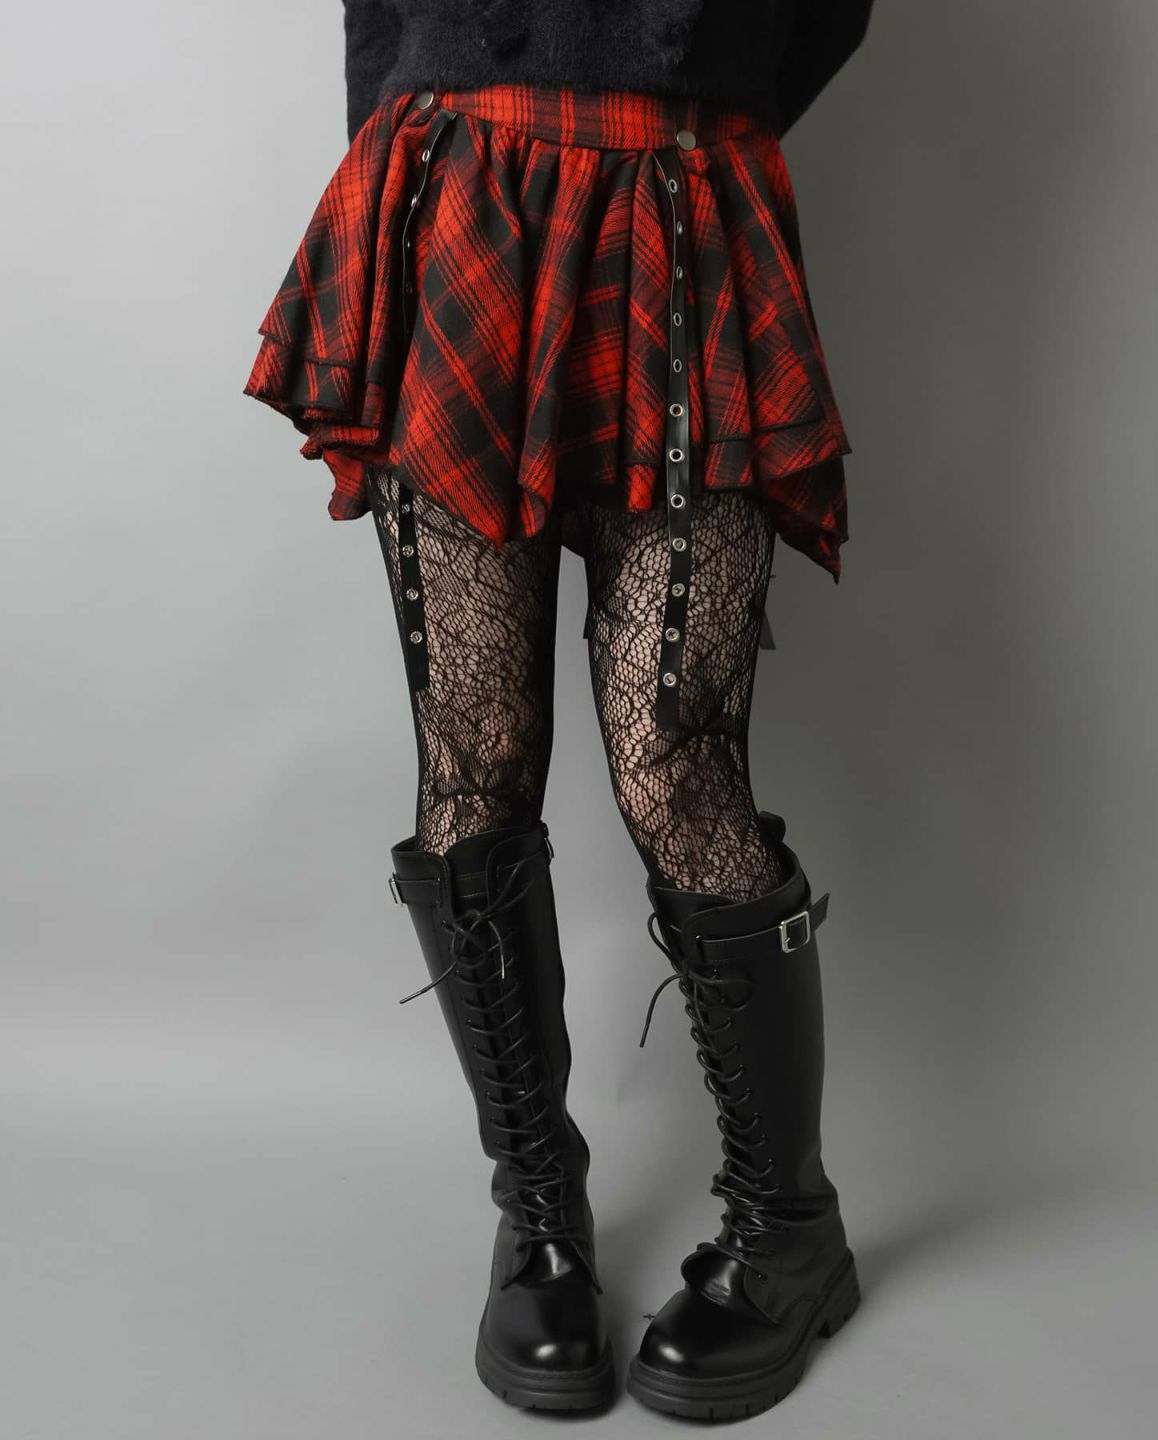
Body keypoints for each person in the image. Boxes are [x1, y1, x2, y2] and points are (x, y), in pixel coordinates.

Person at [244, 0, 874, 1421]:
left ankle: (790, 1226)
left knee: (677, 766)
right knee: (471, 758)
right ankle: (538, 1204)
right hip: (453, 194)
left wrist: (697, 96)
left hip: (683, 199)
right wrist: (405, 171)